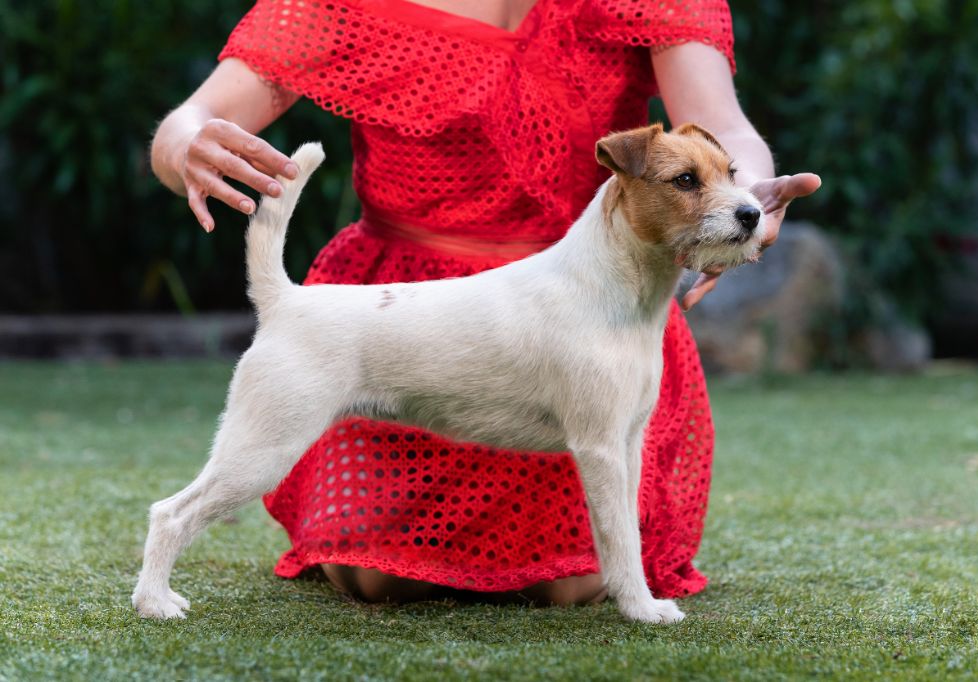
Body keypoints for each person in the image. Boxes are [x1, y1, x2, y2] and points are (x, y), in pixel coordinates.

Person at [150, 0, 819, 606]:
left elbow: (724, 128)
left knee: (569, 580)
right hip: (385, 316)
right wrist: (187, 143)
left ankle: (621, 581)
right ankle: (169, 552)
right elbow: (191, 119)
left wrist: (750, 189)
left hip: (588, 305)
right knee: (379, 575)